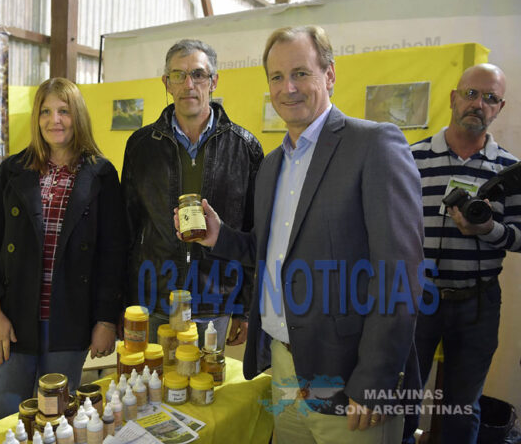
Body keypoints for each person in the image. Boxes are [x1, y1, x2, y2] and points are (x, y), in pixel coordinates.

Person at [179, 26, 424, 443]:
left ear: (329, 75)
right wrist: (221, 237)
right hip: (284, 369)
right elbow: (273, 252)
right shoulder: (273, 164)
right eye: (276, 77)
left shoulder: (374, 145)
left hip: (349, 378)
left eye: (300, 73)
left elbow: (399, 274)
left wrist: (375, 380)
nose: (287, 88)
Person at [0, 78, 127, 425]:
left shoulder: (101, 175)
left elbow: (113, 255)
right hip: (9, 321)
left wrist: (105, 320)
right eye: (45, 111)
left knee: (56, 422)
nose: (54, 120)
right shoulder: (12, 170)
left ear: (78, 116)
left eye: (63, 111)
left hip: (68, 322)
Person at [402, 64, 521, 444]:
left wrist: (489, 230)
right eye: (471, 93)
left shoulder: (510, 170)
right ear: (454, 98)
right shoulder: (412, 157)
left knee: (463, 407)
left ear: (500, 108)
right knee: (402, 398)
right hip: (417, 296)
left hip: (478, 302)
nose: (478, 104)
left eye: (490, 98)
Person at [121, 39, 263, 349]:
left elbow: (253, 232)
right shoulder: (141, 146)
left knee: (208, 379)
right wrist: (126, 301)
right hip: (155, 298)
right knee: (153, 376)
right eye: (178, 75)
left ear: (213, 81)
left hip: (216, 299)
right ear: (166, 83)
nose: (189, 84)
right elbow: (126, 229)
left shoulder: (245, 147)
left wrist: (245, 307)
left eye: (198, 74)